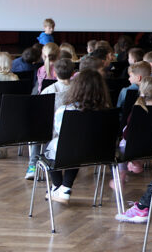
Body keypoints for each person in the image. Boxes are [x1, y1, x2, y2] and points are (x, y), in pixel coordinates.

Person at [44, 69, 111, 203]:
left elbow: (59, 131)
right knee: (76, 147)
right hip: (99, 152)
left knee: (51, 146)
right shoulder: (107, 110)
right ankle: (66, 187)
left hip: (71, 152)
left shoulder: (65, 110)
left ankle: (57, 185)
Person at [26, 58, 75, 179]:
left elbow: (40, 115)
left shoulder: (47, 90)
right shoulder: (80, 90)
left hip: (52, 133)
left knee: (35, 131)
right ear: (73, 73)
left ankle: (32, 165)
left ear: (54, 73)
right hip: (75, 134)